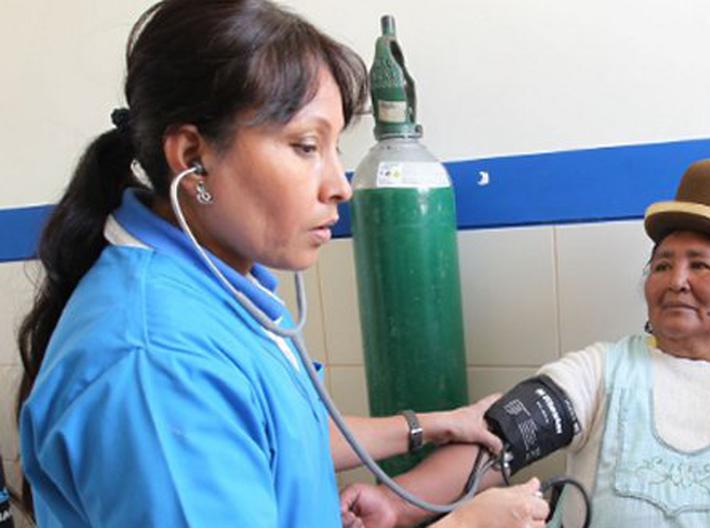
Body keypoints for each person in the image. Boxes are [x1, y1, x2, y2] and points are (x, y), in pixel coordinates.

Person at [14, 1, 549, 526]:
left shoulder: (220, 289)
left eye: (336, 148)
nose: (339, 186)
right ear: (193, 158)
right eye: (306, 145)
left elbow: (281, 431)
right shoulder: (157, 365)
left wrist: (434, 425)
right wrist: (467, 524)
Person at [341, 159, 710, 527]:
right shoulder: (600, 372)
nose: (676, 280)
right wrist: (396, 506)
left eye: (700, 266)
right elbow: (497, 441)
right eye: (662, 264)